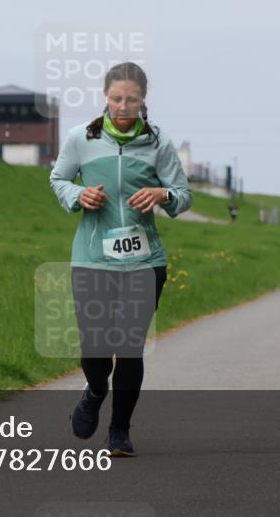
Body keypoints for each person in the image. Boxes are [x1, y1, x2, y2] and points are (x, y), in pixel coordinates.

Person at [49, 62, 190, 457]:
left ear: (144, 100)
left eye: (132, 99)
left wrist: (163, 196)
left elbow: (183, 193)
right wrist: (78, 196)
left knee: (129, 346)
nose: (123, 107)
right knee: (95, 350)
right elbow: (58, 179)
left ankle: (119, 431)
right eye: (116, 99)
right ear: (104, 97)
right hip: (92, 259)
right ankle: (95, 390)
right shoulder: (81, 138)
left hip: (145, 260)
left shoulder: (158, 141)